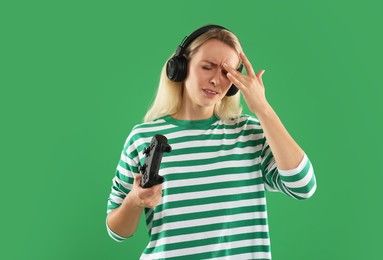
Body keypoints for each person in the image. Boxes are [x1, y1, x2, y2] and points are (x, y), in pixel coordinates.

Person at [106, 24, 317, 260]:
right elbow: (116, 231)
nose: (217, 80)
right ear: (180, 68)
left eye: (227, 73)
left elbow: (303, 186)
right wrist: (134, 201)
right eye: (207, 67)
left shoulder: (249, 133)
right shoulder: (143, 138)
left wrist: (263, 109)